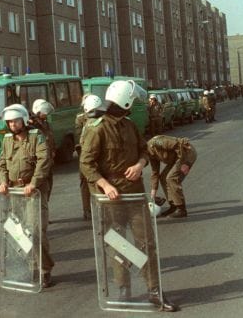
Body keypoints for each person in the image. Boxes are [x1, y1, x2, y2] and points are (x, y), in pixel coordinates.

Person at [79, 80, 178, 312]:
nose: (132, 104)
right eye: (131, 101)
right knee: (118, 244)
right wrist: (104, 184)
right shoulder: (97, 128)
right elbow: (86, 163)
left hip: (134, 196)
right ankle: (123, 289)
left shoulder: (130, 125)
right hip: (111, 199)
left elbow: (145, 150)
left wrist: (139, 164)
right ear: (124, 101)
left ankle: (155, 292)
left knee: (147, 243)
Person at [0, 104, 55, 288]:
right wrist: (3, 181)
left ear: (23, 120)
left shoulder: (36, 137)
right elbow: (2, 164)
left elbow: (44, 161)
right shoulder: (7, 140)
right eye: (9, 122)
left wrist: (34, 183)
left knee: (36, 230)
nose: (12, 124)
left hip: (34, 192)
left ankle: (45, 269)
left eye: (15, 120)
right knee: (20, 231)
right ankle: (32, 265)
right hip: (15, 192)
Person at [147, 135, 197, 218]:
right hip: (176, 158)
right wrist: (153, 196)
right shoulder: (150, 154)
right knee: (163, 177)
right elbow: (155, 173)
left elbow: (178, 145)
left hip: (186, 153)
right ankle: (173, 205)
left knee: (171, 178)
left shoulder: (156, 142)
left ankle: (181, 209)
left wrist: (185, 163)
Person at [29, 99, 56, 202]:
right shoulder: (32, 125)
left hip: (48, 161)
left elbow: (51, 138)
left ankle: (44, 207)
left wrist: (53, 150)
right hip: (38, 162)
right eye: (44, 112)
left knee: (48, 186)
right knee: (40, 187)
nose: (46, 114)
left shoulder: (46, 124)